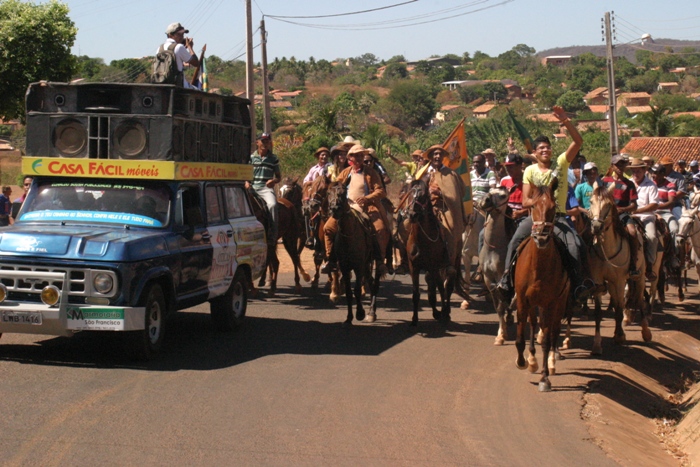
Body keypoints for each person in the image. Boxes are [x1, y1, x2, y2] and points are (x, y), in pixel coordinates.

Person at [496, 105, 593, 305]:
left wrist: (565, 120)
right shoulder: (530, 170)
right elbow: (525, 201)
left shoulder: (561, 163)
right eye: (541, 148)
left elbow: (578, 141)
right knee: (514, 241)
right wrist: (541, 201)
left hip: (559, 218)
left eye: (548, 147)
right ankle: (506, 280)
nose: (546, 149)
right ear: (535, 152)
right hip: (536, 219)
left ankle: (579, 285)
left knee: (577, 245)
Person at [320, 145, 390, 275]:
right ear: (349, 158)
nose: (357, 158)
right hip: (346, 208)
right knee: (328, 228)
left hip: (368, 207)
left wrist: (367, 198)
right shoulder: (345, 172)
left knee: (380, 228)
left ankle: (380, 261)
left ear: (363, 157)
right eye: (354, 155)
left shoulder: (371, 172)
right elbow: (336, 187)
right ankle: (331, 260)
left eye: (360, 155)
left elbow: (381, 191)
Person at [413, 145, 468, 276]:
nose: (437, 156)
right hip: (425, 208)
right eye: (434, 154)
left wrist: (440, 192)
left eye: (439, 154)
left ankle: (449, 261)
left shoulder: (451, 174)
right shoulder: (422, 173)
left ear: (443, 157)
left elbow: (457, 194)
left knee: (450, 229)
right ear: (430, 156)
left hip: (443, 209)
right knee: (406, 225)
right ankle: (407, 259)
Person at [602, 155, 641, 278]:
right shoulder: (604, 181)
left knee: (633, 232)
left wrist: (622, 209)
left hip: (622, 214)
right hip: (606, 214)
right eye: (617, 165)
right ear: (612, 166)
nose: (620, 167)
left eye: (622, 165)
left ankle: (633, 264)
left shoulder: (629, 183)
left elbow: (634, 205)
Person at [629, 158, 659, 281]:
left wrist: (637, 211)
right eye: (634, 171)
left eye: (638, 171)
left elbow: (654, 204)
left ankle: (650, 266)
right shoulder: (628, 183)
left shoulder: (651, 185)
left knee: (651, 237)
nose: (636, 174)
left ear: (644, 171)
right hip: (629, 216)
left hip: (646, 216)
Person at [248, 133, 281, 242]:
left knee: (272, 205)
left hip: (265, 188)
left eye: (267, 141)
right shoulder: (251, 157)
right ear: (257, 142)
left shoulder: (273, 158)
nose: (265, 144)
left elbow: (279, 177)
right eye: (263, 141)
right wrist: (246, 182)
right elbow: (244, 174)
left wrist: (273, 181)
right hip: (252, 188)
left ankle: (273, 234)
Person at [158, 22, 199, 88]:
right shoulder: (179, 47)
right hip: (179, 85)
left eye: (182, 34)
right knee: (198, 90)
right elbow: (196, 63)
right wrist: (190, 47)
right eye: (179, 34)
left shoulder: (160, 48)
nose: (182, 37)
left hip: (162, 84)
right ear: (170, 35)